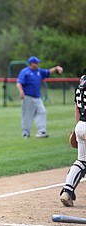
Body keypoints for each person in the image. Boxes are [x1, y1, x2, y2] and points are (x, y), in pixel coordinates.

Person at [16, 56, 63, 138]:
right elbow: (19, 82)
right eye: (36, 62)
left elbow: (48, 72)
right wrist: (21, 92)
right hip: (28, 96)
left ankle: (41, 132)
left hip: (37, 97)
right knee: (27, 115)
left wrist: (56, 68)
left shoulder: (38, 71)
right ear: (32, 64)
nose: (38, 64)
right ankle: (25, 133)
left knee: (42, 112)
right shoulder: (25, 71)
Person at [60, 74, 86, 207]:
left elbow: (77, 107)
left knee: (82, 160)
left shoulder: (82, 82)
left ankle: (67, 190)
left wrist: (77, 130)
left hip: (81, 125)